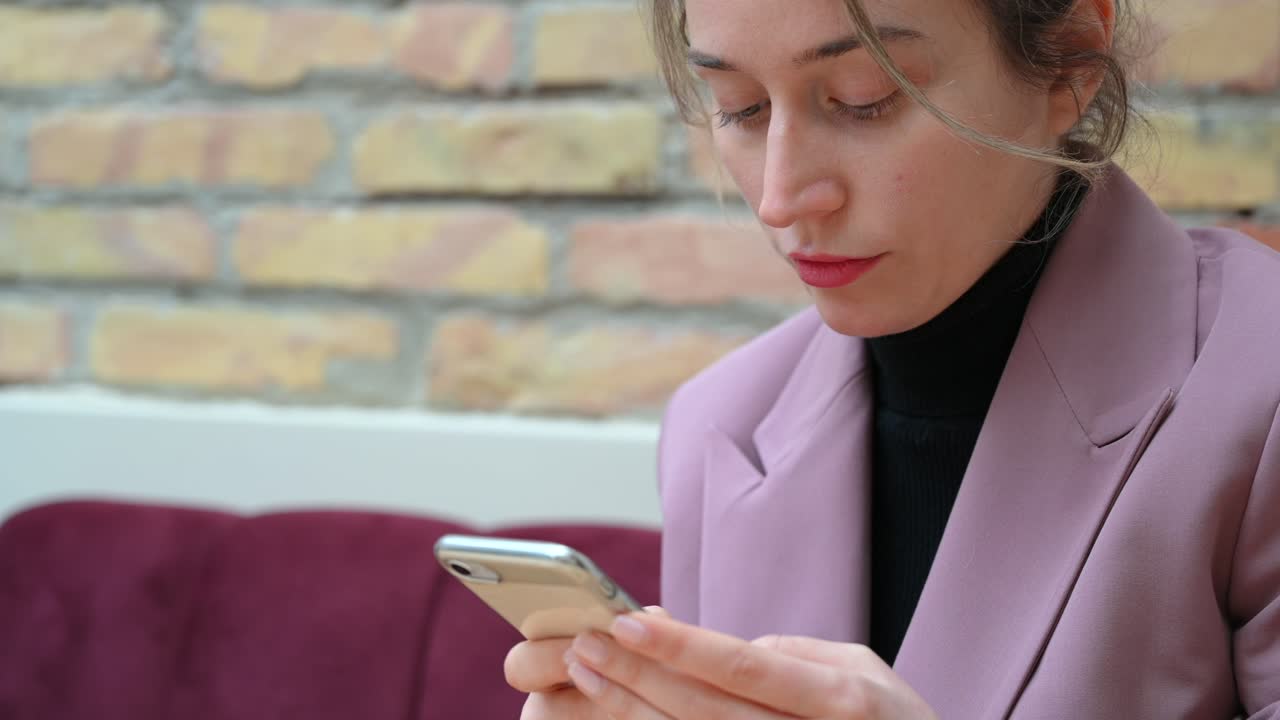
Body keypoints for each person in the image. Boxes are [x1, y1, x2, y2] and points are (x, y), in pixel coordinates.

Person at [506, 0, 1280, 716]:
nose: (781, 197)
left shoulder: (1258, 394)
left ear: (1070, 58)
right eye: (739, 106)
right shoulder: (721, 425)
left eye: (863, 96)